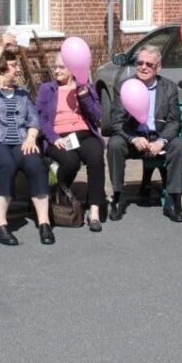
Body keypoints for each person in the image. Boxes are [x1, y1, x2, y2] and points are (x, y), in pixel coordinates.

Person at [0, 33, 53, 246]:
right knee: (6, 164)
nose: (18, 69)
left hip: (19, 141)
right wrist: (2, 46)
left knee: (35, 162)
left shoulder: (23, 93)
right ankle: (0, 224)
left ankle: (44, 222)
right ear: (0, 69)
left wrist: (31, 138)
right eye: (13, 66)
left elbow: (34, 119)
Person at [107, 44, 182, 223]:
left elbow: (175, 121)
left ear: (158, 67)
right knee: (114, 144)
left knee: (179, 146)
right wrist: (133, 138)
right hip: (133, 138)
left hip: (158, 138)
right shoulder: (124, 86)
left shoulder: (169, 88)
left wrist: (162, 141)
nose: (143, 67)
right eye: (139, 62)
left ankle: (172, 199)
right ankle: (118, 197)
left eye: (149, 64)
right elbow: (116, 121)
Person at [36, 52, 105, 231]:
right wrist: (53, 138)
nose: (56, 70)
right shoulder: (47, 89)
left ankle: (95, 211)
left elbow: (97, 116)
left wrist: (83, 96)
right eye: (56, 66)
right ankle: (61, 189)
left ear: (73, 70)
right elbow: (40, 119)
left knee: (96, 157)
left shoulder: (86, 87)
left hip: (83, 134)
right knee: (70, 161)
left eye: (61, 67)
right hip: (58, 136)